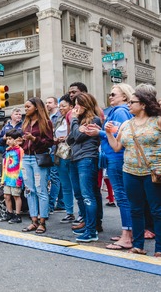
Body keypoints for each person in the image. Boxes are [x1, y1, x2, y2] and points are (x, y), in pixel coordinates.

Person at [105, 87, 161, 257]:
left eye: (132, 102)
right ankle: (138, 245)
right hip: (129, 172)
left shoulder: (157, 121)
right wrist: (108, 133)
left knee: (156, 210)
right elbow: (116, 147)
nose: (129, 105)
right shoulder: (126, 124)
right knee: (135, 209)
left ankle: (159, 248)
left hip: (153, 172)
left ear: (143, 104)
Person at [85, 83, 134, 250]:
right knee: (123, 195)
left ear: (125, 97)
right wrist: (100, 130)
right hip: (114, 157)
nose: (110, 96)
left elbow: (120, 134)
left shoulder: (120, 111)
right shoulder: (118, 111)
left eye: (114, 94)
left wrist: (97, 132)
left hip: (117, 157)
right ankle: (128, 233)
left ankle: (127, 236)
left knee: (122, 196)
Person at [67, 93, 103, 243]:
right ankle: (89, 225)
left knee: (88, 195)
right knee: (80, 194)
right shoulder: (79, 121)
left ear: (85, 104)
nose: (75, 108)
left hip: (87, 159)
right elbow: (70, 139)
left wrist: (74, 122)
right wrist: (76, 127)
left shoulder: (94, 120)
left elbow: (78, 136)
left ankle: (91, 230)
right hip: (76, 158)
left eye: (78, 104)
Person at [20, 97, 54, 234]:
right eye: (25, 107)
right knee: (29, 190)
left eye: (28, 106)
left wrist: (33, 139)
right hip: (26, 158)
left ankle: (42, 221)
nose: (26, 109)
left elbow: (50, 142)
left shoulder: (46, 122)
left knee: (41, 190)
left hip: (38, 158)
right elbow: (24, 141)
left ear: (36, 107)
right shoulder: (26, 123)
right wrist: (21, 142)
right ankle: (33, 220)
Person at [53, 94, 77, 224]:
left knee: (77, 186)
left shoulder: (75, 118)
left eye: (64, 106)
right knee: (66, 185)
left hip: (73, 154)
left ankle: (82, 215)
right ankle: (69, 212)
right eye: (60, 106)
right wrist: (56, 140)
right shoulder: (59, 119)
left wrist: (67, 137)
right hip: (61, 154)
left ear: (72, 106)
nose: (61, 108)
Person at [0, 129, 24, 224]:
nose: (8, 141)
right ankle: (9, 212)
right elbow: (5, 166)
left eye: (10, 139)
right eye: (7, 139)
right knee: (6, 196)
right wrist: (3, 178)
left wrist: (20, 178)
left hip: (16, 177)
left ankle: (17, 215)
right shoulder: (8, 151)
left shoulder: (20, 151)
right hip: (8, 177)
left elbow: (21, 165)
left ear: (16, 140)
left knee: (16, 196)